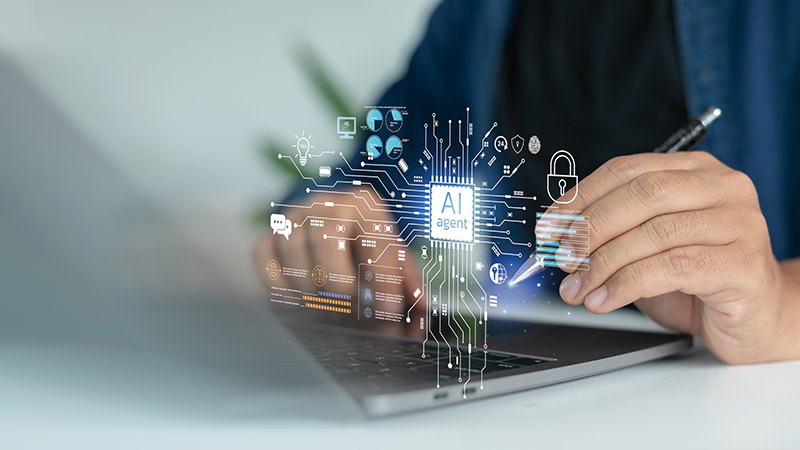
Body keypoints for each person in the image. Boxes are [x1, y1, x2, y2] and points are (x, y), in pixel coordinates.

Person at [255, 0, 800, 364]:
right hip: (534, 386)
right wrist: (317, 229)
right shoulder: (478, 14)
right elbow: (372, 175)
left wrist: (780, 305)